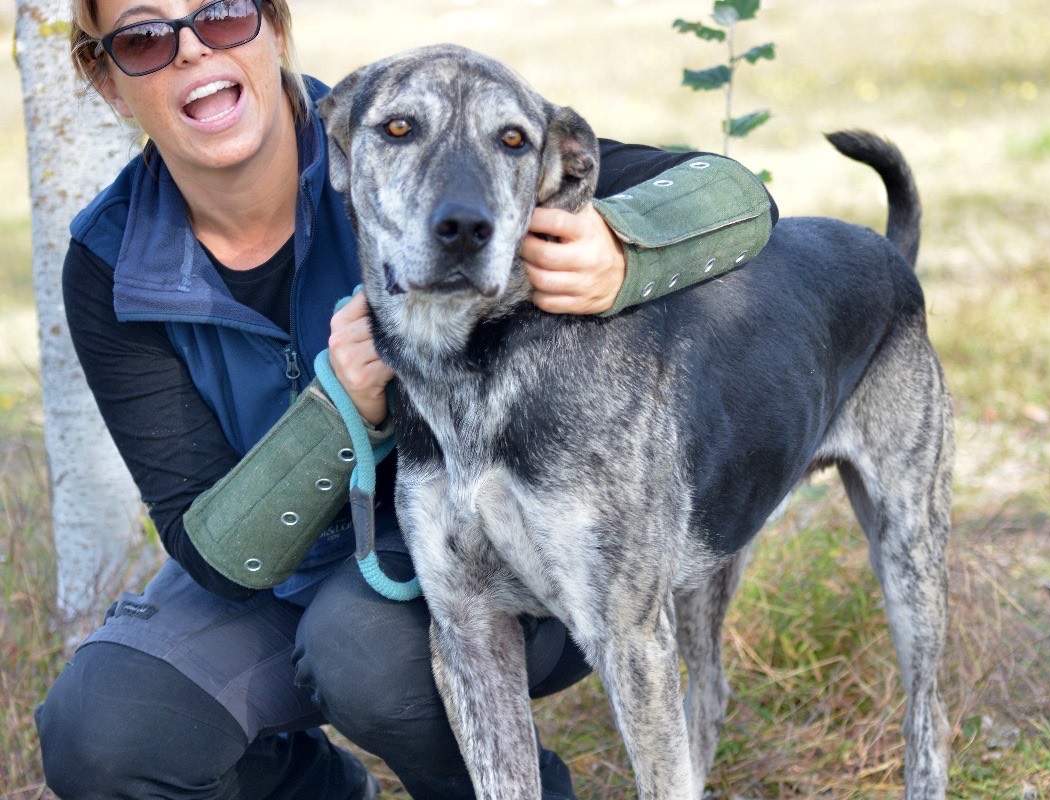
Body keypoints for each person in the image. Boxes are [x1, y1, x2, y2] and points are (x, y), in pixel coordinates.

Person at [34, 1, 778, 798]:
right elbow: (211, 549)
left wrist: (623, 248)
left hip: (483, 556)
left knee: (361, 650)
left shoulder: (402, 121)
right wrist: (339, 408)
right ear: (107, 82)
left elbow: (733, 196)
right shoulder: (111, 259)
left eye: (220, 15)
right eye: (145, 38)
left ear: (273, 29)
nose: (188, 50)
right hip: (274, 582)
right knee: (101, 731)